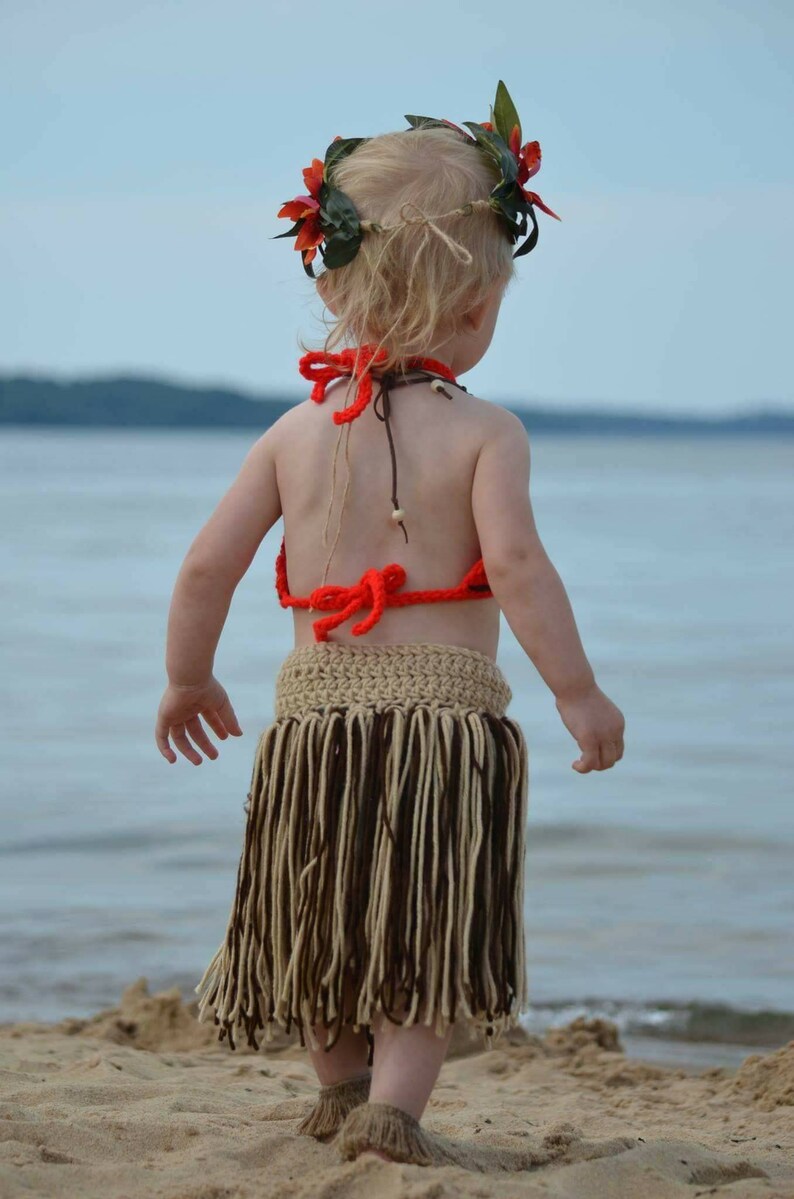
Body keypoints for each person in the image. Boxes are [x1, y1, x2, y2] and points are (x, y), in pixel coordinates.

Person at [155, 82, 625, 1170]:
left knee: (317, 910)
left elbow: (207, 565)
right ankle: (392, 1116)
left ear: (331, 277)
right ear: (474, 308)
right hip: (441, 736)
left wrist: (187, 678)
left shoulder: (293, 430)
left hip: (314, 730)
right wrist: (577, 691)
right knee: (425, 924)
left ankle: (338, 1092)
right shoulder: (487, 432)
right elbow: (516, 566)